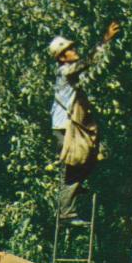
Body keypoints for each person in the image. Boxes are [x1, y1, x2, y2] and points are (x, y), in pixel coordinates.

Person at [49, 21, 120, 225]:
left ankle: (74, 189)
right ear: (62, 58)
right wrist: (105, 41)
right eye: (69, 50)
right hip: (65, 127)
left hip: (69, 126)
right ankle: (66, 213)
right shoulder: (65, 71)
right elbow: (87, 62)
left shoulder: (67, 72)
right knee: (73, 169)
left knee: (89, 157)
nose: (73, 51)